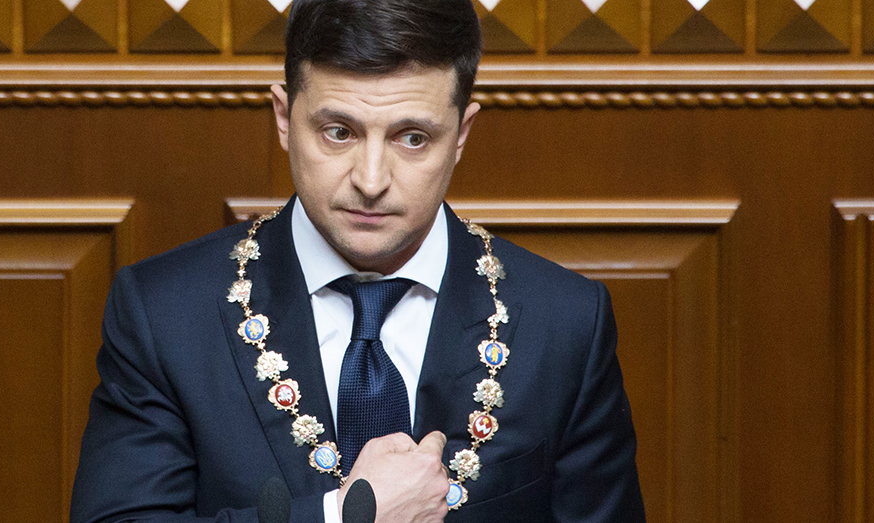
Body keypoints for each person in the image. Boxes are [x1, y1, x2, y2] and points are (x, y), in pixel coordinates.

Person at [68, 0, 645, 519]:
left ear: (461, 133)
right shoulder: (164, 314)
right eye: (339, 132)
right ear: (283, 118)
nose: (371, 181)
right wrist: (341, 517)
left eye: (412, 138)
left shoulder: (565, 322)